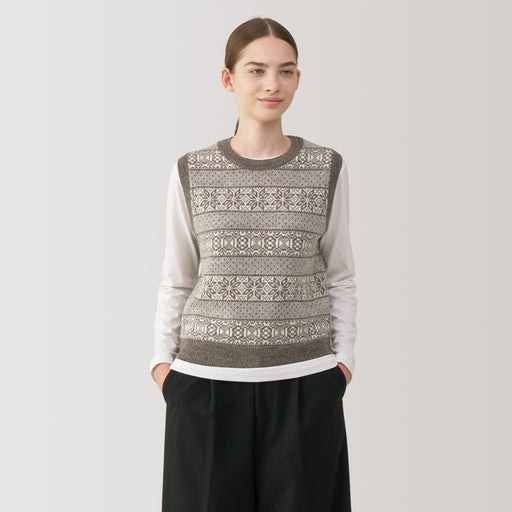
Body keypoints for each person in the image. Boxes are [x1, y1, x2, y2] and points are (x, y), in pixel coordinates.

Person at [150, 16, 358, 512]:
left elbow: (340, 274)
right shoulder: (191, 170)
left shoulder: (326, 167)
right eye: (256, 70)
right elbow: (177, 278)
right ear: (229, 79)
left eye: (286, 71)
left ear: (298, 79)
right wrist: (162, 367)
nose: (272, 84)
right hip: (204, 387)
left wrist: (342, 364)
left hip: (306, 386)